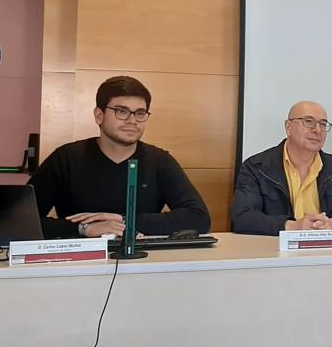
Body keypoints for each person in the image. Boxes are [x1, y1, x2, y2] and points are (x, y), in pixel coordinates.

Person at [29, 75, 210, 238]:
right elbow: (20, 220)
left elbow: (199, 218)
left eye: (140, 113)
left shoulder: (159, 161)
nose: (132, 120)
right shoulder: (66, 158)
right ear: (99, 115)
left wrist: (124, 222)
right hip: (80, 262)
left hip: (142, 261)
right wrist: (84, 229)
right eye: (121, 111)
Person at [231, 101, 332, 234]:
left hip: (324, 248)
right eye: (308, 121)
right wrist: (293, 227)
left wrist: (331, 224)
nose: (317, 130)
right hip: (274, 250)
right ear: (288, 127)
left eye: (323, 124)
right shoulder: (257, 167)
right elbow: (243, 217)